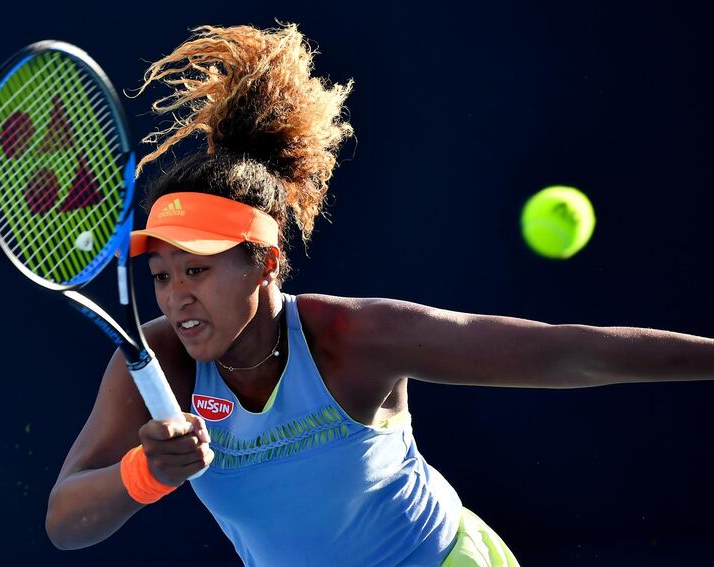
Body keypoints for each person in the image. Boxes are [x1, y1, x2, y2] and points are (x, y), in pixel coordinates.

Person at [45, 23, 714, 566]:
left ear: (266, 262)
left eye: (198, 270)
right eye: (162, 274)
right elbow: (65, 521)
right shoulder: (158, 362)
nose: (176, 297)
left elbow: (560, 353)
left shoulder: (349, 341)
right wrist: (146, 472)